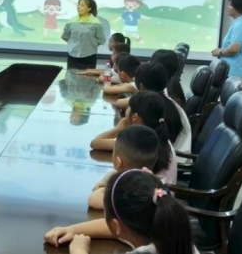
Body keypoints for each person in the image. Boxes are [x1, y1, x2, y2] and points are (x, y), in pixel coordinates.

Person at [66, 170, 198, 254]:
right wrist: (72, 230)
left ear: (116, 226)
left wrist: (79, 250)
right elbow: (118, 228)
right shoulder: (176, 239)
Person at [90, 91, 177, 184]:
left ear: (135, 116)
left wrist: (118, 129)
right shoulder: (158, 135)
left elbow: (95, 143)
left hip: (148, 190)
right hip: (163, 190)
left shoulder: (137, 140)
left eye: (128, 108)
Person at [115, 63, 191, 155]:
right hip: (174, 156)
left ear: (141, 87)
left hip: (173, 159)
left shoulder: (151, 108)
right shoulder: (167, 101)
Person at [87, 125, 161, 210]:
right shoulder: (156, 185)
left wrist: (103, 188)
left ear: (118, 162)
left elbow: (93, 200)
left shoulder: (126, 191)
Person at [212, 0, 242, 79]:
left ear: (237, 7)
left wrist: (220, 52)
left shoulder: (240, 25)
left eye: (230, 5)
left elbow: (234, 48)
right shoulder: (239, 22)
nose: (227, 7)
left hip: (235, 73)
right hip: (233, 71)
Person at [62, 0, 106, 70]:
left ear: (89, 9)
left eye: (82, 5)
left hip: (89, 56)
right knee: (71, 76)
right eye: (78, 5)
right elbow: (65, 36)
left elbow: (101, 39)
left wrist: (89, 45)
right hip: (72, 56)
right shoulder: (71, 21)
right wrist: (74, 44)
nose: (79, 7)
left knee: (88, 76)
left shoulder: (96, 23)